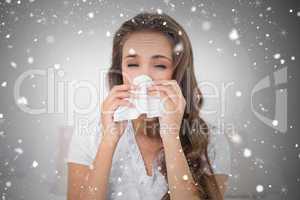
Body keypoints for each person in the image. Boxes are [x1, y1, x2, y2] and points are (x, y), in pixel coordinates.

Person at [67, 12, 231, 200]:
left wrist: (171, 136)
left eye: (160, 65)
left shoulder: (212, 140)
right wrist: (108, 141)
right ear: (120, 70)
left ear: (178, 73)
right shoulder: (90, 134)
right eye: (133, 64)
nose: (144, 77)